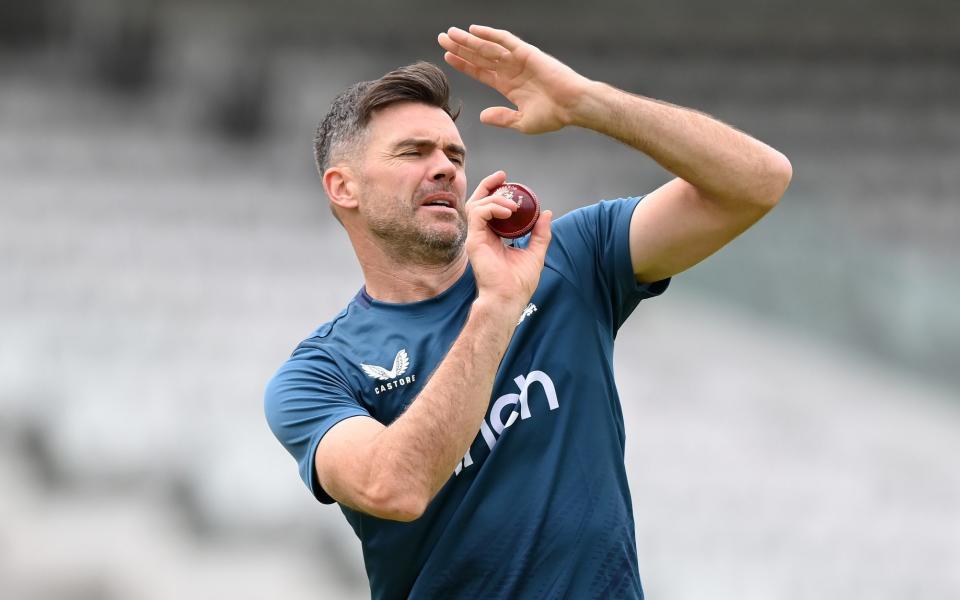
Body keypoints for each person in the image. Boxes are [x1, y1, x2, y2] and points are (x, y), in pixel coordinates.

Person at [265, 24, 791, 599]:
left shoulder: (569, 258)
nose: (444, 167)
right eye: (413, 152)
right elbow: (396, 487)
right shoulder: (317, 374)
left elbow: (757, 183)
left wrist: (586, 102)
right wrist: (496, 307)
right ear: (343, 188)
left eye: (453, 154)